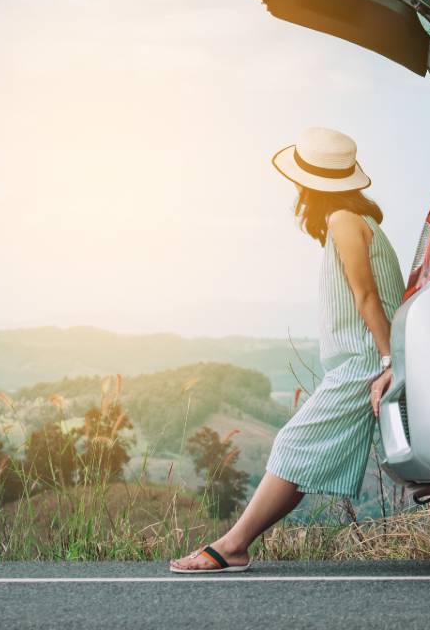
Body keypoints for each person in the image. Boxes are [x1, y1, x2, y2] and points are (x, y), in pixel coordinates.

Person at [170, 126, 405, 572]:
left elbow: (367, 297)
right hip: (365, 358)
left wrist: (389, 361)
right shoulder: (359, 220)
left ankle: (233, 545)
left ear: (310, 185)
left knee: (293, 443)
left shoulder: (342, 221)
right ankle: (234, 544)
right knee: (297, 448)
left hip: (364, 361)